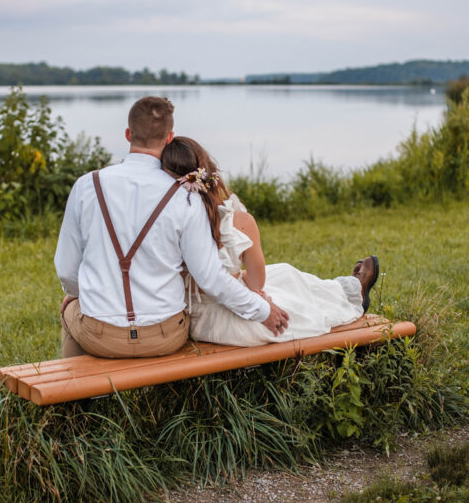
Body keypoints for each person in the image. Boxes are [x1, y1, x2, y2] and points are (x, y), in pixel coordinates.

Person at [54, 96, 289, 358]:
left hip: (100, 336)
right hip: (165, 335)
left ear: (128, 134)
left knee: (70, 308)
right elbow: (211, 278)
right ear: (169, 138)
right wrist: (263, 311)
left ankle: (75, 392)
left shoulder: (87, 186)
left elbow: (66, 271)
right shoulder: (186, 197)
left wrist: (78, 295)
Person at [160, 136, 380, 347]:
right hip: (232, 324)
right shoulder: (240, 221)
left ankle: (346, 287)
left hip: (193, 322)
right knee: (293, 291)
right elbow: (257, 284)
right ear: (209, 172)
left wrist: (235, 277)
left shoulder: (163, 223)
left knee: (284, 273)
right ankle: (350, 291)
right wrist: (240, 279)